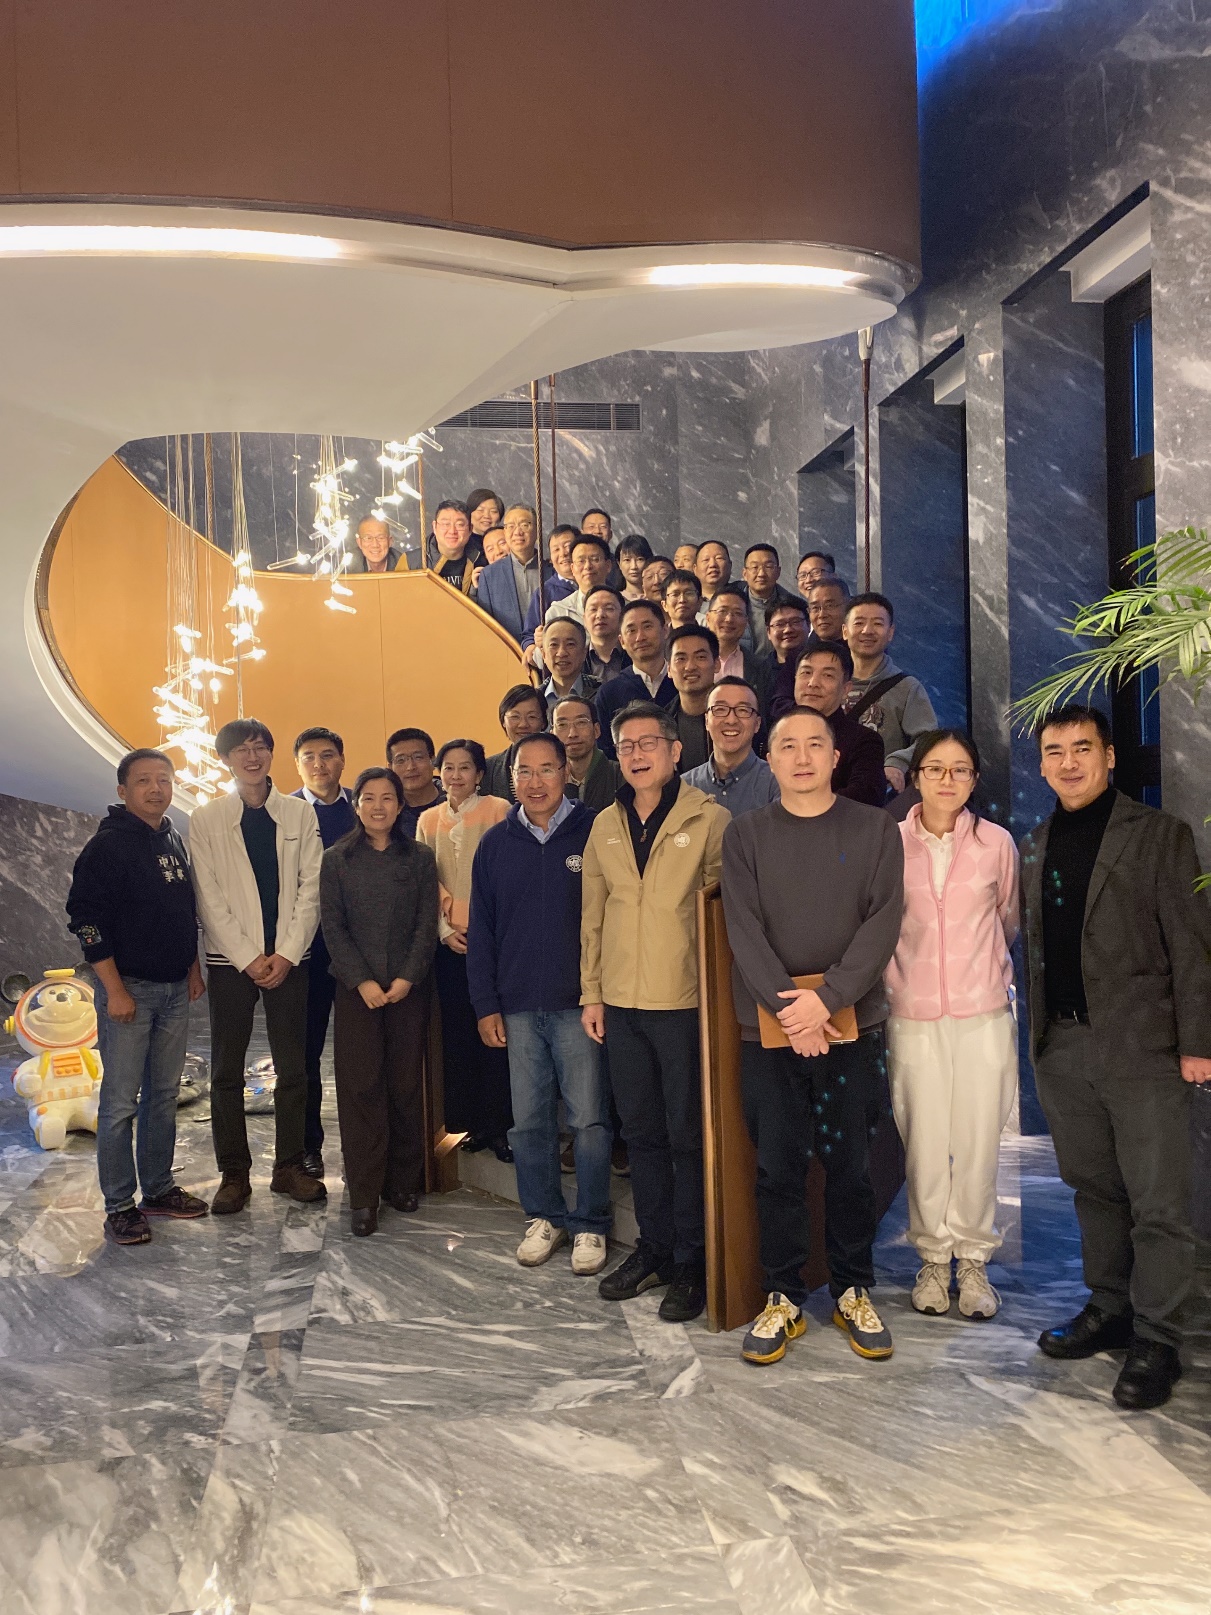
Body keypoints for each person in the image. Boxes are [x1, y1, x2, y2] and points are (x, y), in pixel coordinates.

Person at [1021, 706, 1211, 1411]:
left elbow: (1191, 945)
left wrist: (1197, 1043)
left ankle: (1159, 1337)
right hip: (1063, 1045)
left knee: (1158, 1201)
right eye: (1054, 751)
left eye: (1081, 748)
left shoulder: (1159, 834)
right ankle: (1109, 1307)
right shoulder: (1035, 842)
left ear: (1107, 756)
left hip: (1143, 1046)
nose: (1067, 762)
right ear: (1042, 765)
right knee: (1093, 1188)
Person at [721, 706, 904, 1366]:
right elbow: (743, 927)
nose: (801, 757)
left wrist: (826, 999)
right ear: (769, 759)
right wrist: (790, 1010)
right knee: (778, 1165)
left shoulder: (875, 828)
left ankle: (853, 1288)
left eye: (814, 745)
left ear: (835, 756)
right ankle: (783, 1295)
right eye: (787, 746)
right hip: (768, 1030)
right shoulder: (745, 834)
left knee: (851, 1164)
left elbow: (883, 922)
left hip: (851, 1023)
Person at [582, 701, 730, 1322]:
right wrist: (592, 992)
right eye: (627, 745)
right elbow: (593, 915)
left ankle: (693, 1261)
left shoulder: (710, 818)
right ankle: (656, 1249)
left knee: (686, 1137)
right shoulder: (604, 823)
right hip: (620, 1003)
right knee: (640, 1134)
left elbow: (721, 917)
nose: (637, 754)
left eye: (649, 743)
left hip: (683, 1003)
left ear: (675, 751)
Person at [884, 730, 1019, 1320]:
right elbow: (879, 923)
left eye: (959, 769)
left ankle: (974, 1259)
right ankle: (934, 1259)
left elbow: (1007, 918)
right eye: (935, 768)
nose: (947, 779)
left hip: (983, 1015)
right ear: (916, 776)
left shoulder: (996, 843)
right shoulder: (890, 843)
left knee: (978, 1140)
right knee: (925, 1142)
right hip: (911, 1015)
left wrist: (981, 973)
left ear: (974, 779)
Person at [468, 733, 612, 1275]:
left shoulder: (596, 829)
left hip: (581, 1004)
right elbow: (482, 930)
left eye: (546, 769)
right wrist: (485, 1003)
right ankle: (545, 1215)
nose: (535, 782)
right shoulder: (495, 843)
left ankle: (591, 1222)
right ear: (511, 780)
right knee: (528, 1123)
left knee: (589, 1120)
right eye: (524, 772)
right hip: (519, 1007)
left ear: (566, 772)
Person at [66, 748, 208, 1246]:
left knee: (164, 1096)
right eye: (144, 780)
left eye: (163, 780)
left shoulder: (172, 838)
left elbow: (184, 911)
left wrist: (192, 968)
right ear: (123, 790)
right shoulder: (106, 846)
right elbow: (86, 922)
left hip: (173, 989)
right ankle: (119, 1205)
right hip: (129, 990)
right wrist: (114, 990)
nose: (155, 788)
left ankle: (159, 1188)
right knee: (120, 1103)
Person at [189, 718, 325, 1213]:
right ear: (225, 759)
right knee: (227, 1070)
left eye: (260, 747)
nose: (252, 757)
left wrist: (286, 952)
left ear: (271, 754)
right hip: (230, 962)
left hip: (290, 958)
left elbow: (312, 886)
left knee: (294, 1067)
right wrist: (249, 958)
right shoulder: (206, 818)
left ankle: (288, 1167)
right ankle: (234, 1174)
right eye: (241, 749)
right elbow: (207, 897)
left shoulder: (299, 813)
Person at [320, 768, 438, 1236]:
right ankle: (364, 1196)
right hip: (357, 993)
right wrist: (362, 981)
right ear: (356, 806)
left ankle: (403, 1182)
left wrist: (408, 977)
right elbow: (333, 927)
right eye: (368, 798)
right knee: (361, 1088)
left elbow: (426, 923)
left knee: (405, 1086)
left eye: (387, 798)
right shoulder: (336, 859)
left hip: (409, 989)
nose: (378, 806)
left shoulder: (420, 858)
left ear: (400, 805)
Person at [415, 740, 513, 1157]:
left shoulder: (499, 811)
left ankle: (501, 1127)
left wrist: (488, 931)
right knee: (458, 1035)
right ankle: (471, 1124)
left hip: (493, 942)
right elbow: (425, 879)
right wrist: (442, 931)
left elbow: (506, 874)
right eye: (449, 768)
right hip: (449, 944)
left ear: (480, 774)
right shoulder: (427, 819)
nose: (456, 776)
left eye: (465, 767)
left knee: (496, 1034)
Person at [291, 727, 357, 1179]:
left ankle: (361, 1149)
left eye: (328, 755)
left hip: (357, 954)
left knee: (357, 1056)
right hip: (305, 954)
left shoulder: (362, 807)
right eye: (310, 757)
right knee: (304, 1054)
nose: (319, 764)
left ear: (342, 760)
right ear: (297, 765)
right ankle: (307, 1146)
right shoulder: (284, 812)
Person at [843, 593, 939, 795]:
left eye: (878, 623)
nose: (867, 631)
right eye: (859, 623)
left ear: (891, 632)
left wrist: (897, 763)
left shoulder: (907, 688)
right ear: (844, 631)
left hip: (879, 794)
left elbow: (928, 741)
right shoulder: (828, 683)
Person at [779, 641, 887, 808]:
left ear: (846, 689)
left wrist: (805, 808)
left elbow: (866, 795)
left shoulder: (864, 741)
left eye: (827, 675)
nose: (813, 683)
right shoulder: (778, 734)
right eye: (806, 672)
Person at [684, 676, 779, 815]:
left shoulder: (777, 783)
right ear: (706, 721)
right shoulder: (685, 786)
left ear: (757, 724)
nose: (731, 720)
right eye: (720, 709)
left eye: (743, 710)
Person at [596, 598, 675, 759]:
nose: (640, 637)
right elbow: (606, 752)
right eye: (631, 630)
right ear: (622, 641)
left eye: (647, 627)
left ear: (665, 630)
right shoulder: (609, 692)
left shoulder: (683, 682)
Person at [475, 504, 541, 641]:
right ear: (505, 532)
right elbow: (486, 627)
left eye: (524, 525)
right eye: (511, 526)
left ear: (537, 530)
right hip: (506, 651)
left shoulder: (552, 570)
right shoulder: (489, 575)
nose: (517, 532)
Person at [665, 624, 719, 774]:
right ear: (669, 669)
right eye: (681, 659)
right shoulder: (661, 723)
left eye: (700, 657)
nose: (690, 667)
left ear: (717, 664)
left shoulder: (737, 716)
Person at [553, 695, 622, 812]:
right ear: (552, 734)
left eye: (581, 722)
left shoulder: (621, 775)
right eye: (562, 725)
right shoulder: (547, 781)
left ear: (596, 730)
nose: (572, 734)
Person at [520, 525, 579, 659]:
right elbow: (528, 636)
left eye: (567, 546)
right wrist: (532, 645)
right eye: (556, 549)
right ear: (551, 558)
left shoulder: (597, 583)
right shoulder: (544, 592)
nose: (563, 553)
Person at [482, 685, 548, 802]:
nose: (523, 724)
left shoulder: (559, 764)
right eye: (515, 717)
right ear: (503, 721)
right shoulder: (488, 769)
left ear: (543, 721)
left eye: (532, 717)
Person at [743, 543, 804, 657]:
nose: (761, 574)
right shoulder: (735, 605)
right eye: (755, 567)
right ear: (745, 574)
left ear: (778, 572)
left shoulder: (795, 606)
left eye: (768, 567)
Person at [757, 598, 811, 722]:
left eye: (795, 622)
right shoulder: (759, 670)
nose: (788, 630)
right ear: (768, 632)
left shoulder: (820, 664)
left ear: (808, 625)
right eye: (780, 624)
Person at [544, 535, 613, 628]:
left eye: (595, 559)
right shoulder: (558, 612)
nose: (588, 566)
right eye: (581, 561)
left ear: (608, 566)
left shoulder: (624, 608)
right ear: (572, 568)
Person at [415, 498, 481, 592]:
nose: (452, 531)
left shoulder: (481, 561)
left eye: (459, 525)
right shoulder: (411, 562)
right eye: (446, 524)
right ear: (434, 527)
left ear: (470, 529)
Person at [387, 727, 444, 837]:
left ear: (433, 761)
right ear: (391, 768)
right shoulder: (388, 811)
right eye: (401, 760)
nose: (410, 767)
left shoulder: (456, 801)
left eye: (418, 757)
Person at [705, 585, 764, 686]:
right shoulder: (692, 662)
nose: (729, 619)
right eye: (722, 611)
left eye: (738, 613)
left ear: (746, 621)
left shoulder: (761, 667)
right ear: (708, 618)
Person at [542, 616, 600, 715]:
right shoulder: (535, 700)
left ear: (584, 653)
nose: (561, 653)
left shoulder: (602, 692)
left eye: (570, 644)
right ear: (543, 654)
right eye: (554, 645)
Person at [584, 585, 630, 683]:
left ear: (622, 616)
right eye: (593, 609)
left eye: (609, 608)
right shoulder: (577, 659)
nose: (600, 615)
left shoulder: (635, 655)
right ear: (584, 619)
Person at [807, 575, 851, 646]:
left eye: (829, 606)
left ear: (848, 607)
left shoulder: (860, 649)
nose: (821, 615)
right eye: (815, 607)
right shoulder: (804, 648)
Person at [694, 541, 734, 615]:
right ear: (695, 569)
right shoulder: (688, 601)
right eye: (706, 560)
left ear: (730, 565)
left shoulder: (743, 596)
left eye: (719, 558)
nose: (712, 564)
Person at [616, 534, 654, 600]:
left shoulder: (657, 599)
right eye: (627, 560)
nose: (634, 566)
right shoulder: (614, 599)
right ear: (619, 564)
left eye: (640, 559)